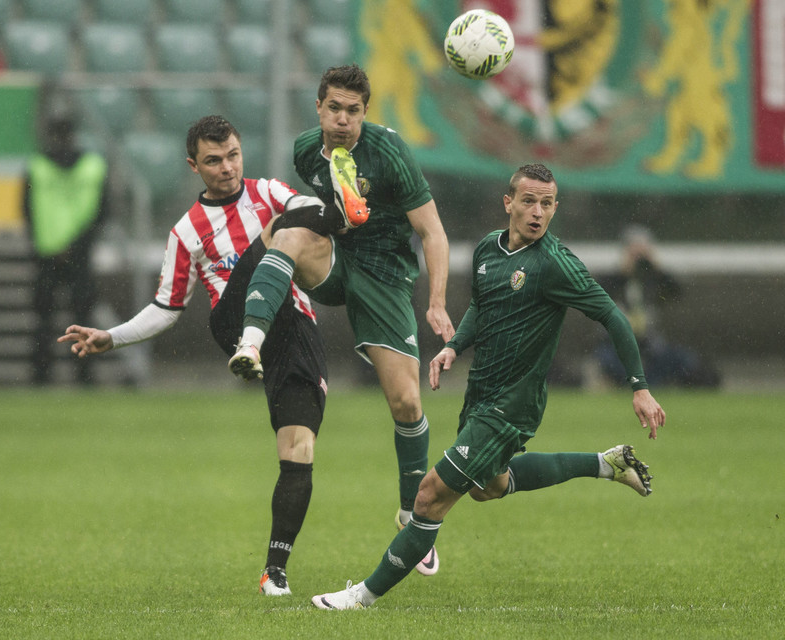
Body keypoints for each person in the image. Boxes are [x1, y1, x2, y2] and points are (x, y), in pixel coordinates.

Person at [310, 163, 666, 610]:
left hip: (512, 405)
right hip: (480, 395)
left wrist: (639, 386)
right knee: (488, 487)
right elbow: (483, 305)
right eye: (530, 201)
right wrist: (454, 347)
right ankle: (606, 464)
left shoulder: (554, 264)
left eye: (548, 203)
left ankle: (361, 597)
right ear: (508, 203)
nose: (538, 212)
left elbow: (612, 315)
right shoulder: (485, 251)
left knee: (429, 494)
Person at [57, 115, 329, 596]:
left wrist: (329, 207)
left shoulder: (267, 190)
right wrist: (112, 337)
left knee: (299, 451)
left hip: (293, 332)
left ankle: (275, 571)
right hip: (231, 320)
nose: (226, 168)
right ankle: (249, 341)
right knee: (280, 230)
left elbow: (309, 206)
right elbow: (167, 307)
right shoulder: (187, 231)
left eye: (232, 156)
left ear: (241, 151)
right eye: (213, 161)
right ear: (192, 166)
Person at [228, 64, 454, 576]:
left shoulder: (390, 152)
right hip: (335, 261)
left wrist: (436, 301)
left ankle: (412, 516)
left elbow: (433, 234)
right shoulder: (307, 148)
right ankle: (250, 341)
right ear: (319, 108)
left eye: (353, 111)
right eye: (334, 108)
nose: (343, 120)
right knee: (288, 234)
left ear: (365, 113)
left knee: (406, 400)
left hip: (384, 276)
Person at [24, 112, 109, 386]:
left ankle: (41, 376)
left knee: (44, 321)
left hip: (47, 253)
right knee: (82, 320)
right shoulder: (93, 165)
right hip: (80, 255)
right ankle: (84, 375)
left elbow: (25, 210)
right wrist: (79, 244)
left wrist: (47, 242)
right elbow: (103, 211)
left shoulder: (36, 166)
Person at [594, 224, 721, 388]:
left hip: (650, 344)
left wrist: (655, 268)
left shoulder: (653, 281)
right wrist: (624, 272)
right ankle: (637, 384)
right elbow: (597, 292)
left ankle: (648, 384)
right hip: (618, 344)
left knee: (683, 360)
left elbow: (676, 291)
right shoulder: (613, 279)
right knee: (608, 360)